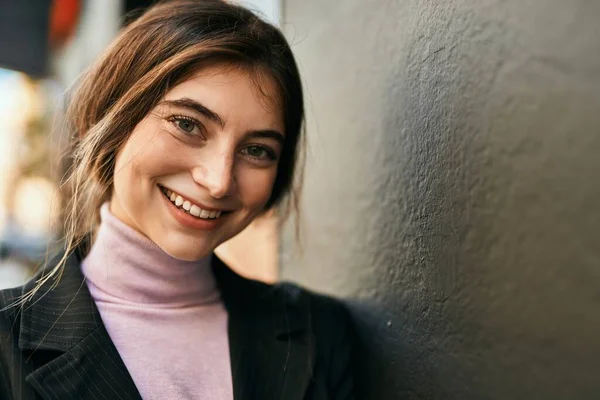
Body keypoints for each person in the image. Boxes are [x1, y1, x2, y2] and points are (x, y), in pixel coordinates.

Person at [0, 1, 355, 399]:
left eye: (257, 150)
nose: (219, 181)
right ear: (113, 119)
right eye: (187, 125)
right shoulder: (6, 345)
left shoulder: (320, 333)